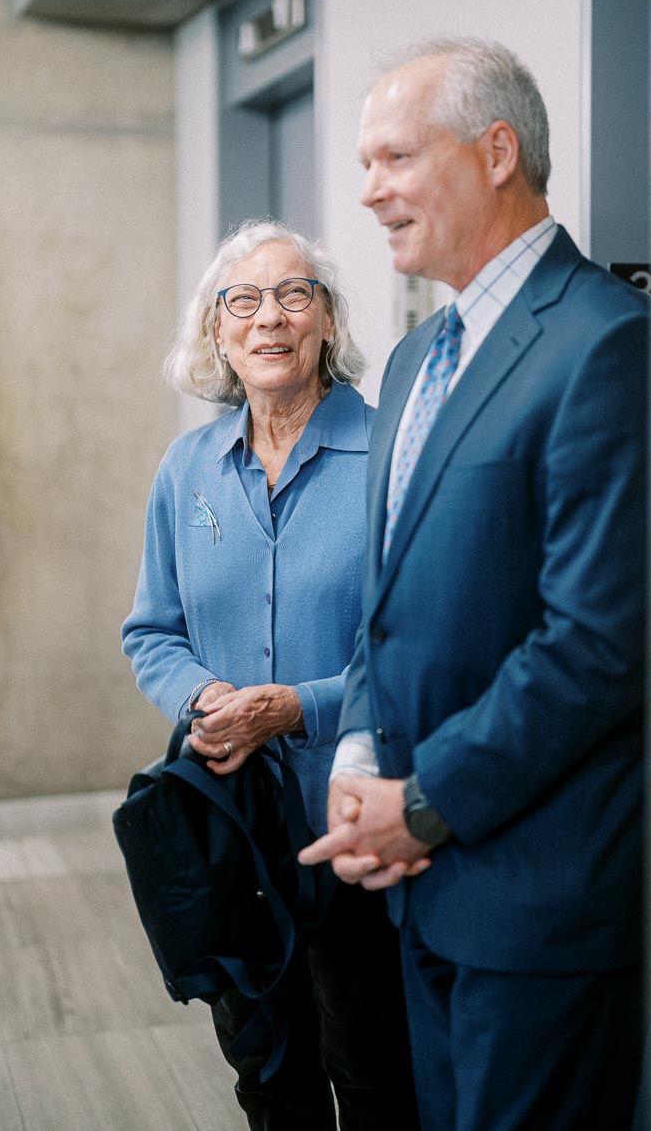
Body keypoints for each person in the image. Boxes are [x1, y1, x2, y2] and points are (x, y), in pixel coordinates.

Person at [299, 38, 651, 1129]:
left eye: (395, 156)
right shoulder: (411, 362)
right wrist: (359, 757)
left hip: (537, 900)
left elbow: (597, 644)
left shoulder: (608, 344)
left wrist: (428, 803)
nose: (368, 191)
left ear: (498, 151)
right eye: (365, 163)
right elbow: (387, 606)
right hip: (415, 889)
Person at [121, 220, 418, 1131]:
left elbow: (410, 642)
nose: (269, 318)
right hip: (234, 825)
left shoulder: (390, 456)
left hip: (357, 821)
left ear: (327, 320)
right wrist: (204, 699)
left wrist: (300, 708)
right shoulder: (188, 470)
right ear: (218, 332)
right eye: (241, 301)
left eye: (295, 294)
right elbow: (152, 632)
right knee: (267, 1073)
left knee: (373, 1075)